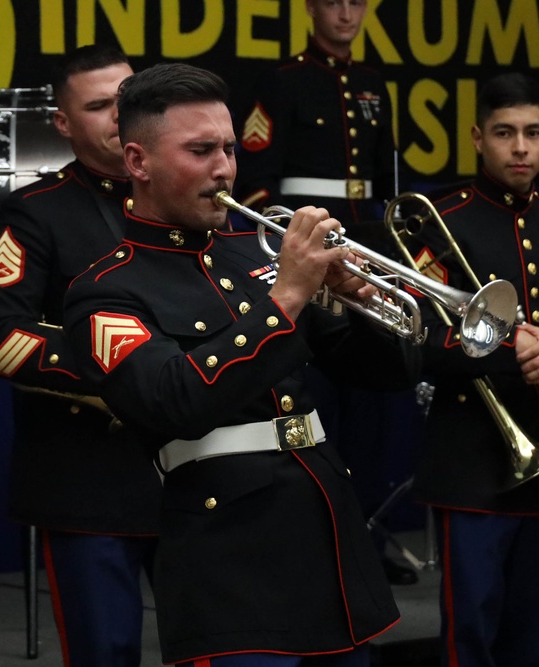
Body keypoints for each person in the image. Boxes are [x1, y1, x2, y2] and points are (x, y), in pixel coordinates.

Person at [62, 62, 421, 667]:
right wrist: (287, 300)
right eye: (200, 151)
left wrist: (358, 300)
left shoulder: (254, 254)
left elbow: (387, 373)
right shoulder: (105, 290)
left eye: (228, 148)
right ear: (138, 162)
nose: (224, 167)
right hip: (228, 558)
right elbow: (173, 400)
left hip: (326, 534)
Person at [0, 46, 162, 667]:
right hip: (88, 475)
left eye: (129, 97)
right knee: (105, 652)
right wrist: (122, 368)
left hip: (195, 472)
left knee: (216, 645)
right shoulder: (36, 213)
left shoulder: (190, 196)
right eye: (99, 105)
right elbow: (0, 339)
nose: (120, 115)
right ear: (62, 124)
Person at [407, 73, 539, 667]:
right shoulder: (441, 220)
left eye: (533, 133)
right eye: (505, 133)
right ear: (477, 138)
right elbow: (416, 341)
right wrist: (504, 344)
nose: (520, 148)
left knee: (536, 633)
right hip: (472, 459)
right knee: (473, 633)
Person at [233, 0, 418, 586]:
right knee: (317, 405)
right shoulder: (282, 80)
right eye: (333, 1)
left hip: (366, 259)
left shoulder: (373, 84)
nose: (345, 12)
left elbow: (386, 182)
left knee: (371, 412)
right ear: (311, 9)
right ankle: (315, 538)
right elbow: (258, 189)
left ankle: (364, 533)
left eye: (356, 2)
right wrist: (296, 252)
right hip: (307, 263)